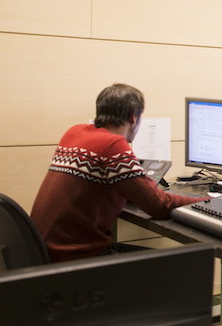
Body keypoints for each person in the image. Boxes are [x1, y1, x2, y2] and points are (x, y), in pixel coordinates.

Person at [31, 83, 203, 262]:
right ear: (134, 117)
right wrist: (210, 201)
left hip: (44, 251)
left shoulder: (74, 132)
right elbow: (159, 206)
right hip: (77, 257)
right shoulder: (112, 145)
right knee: (180, 264)